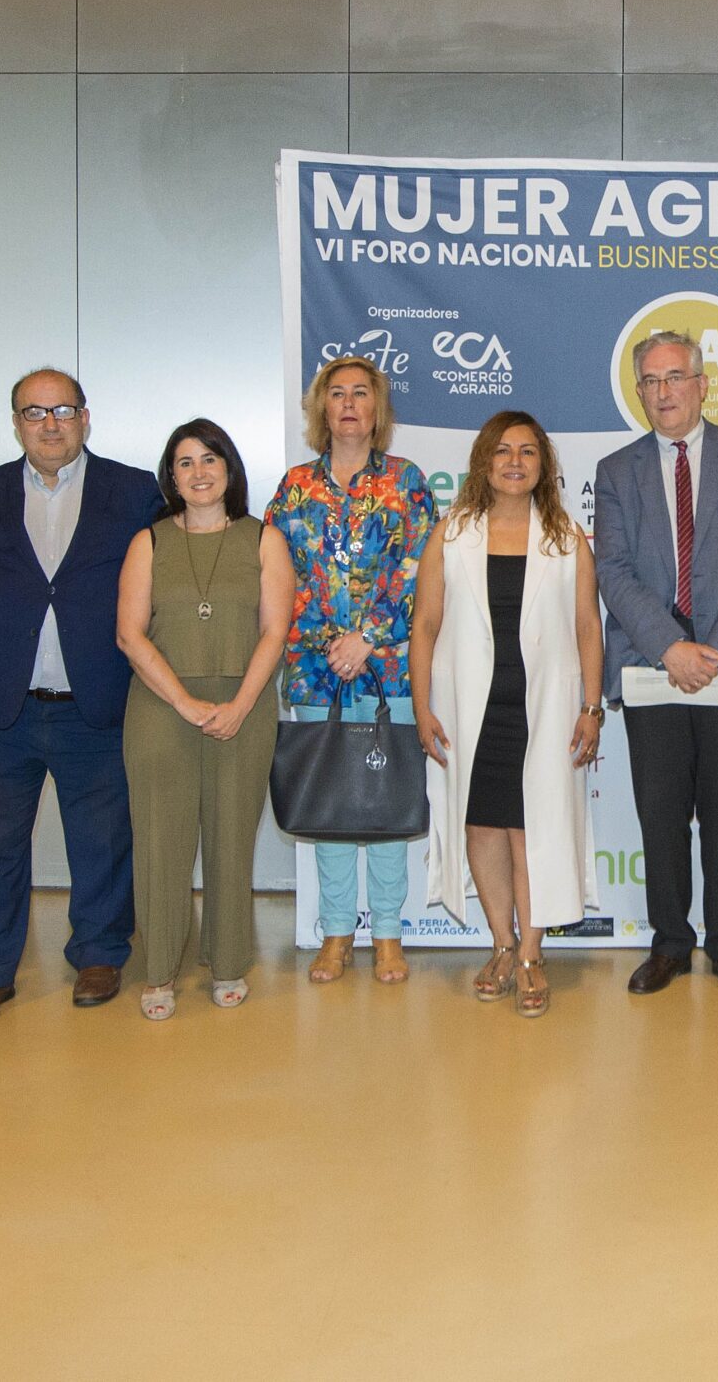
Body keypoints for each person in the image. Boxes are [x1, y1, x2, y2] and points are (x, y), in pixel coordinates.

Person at [0, 368, 155, 1027]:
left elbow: (157, 595)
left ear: (86, 417)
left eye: (62, 410)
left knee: (103, 839)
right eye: (34, 412)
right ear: (16, 422)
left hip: (99, 702)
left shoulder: (134, 489)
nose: (49, 423)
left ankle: (99, 952)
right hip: (1, 709)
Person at [593, 330, 718, 998]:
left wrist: (713, 649)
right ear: (640, 392)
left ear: (703, 384)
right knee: (661, 809)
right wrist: (668, 647)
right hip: (653, 667)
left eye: (676, 376)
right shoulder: (616, 471)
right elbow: (612, 571)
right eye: (651, 380)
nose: (664, 390)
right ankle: (671, 940)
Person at [410, 411, 605, 1019]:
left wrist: (591, 707)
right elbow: (425, 625)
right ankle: (500, 942)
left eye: (527, 451)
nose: (514, 461)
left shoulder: (566, 537)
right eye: (502, 451)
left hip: (543, 705)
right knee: (483, 826)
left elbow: (586, 626)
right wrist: (421, 706)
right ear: (483, 462)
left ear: (543, 464)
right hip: (472, 705)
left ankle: (530, 954)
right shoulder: (452, 532)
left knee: (532, 830)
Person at [264, 355, 439, 985]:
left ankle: (388, 934)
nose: (347, 403)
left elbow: (421, 569)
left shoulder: (407, 481)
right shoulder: (293, 488)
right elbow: (277, 582)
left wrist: (367, 636)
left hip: (388, 672)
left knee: (387, 805)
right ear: (321, 409)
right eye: (336, 393)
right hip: (315, 673)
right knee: (332, 804)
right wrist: (331, 641)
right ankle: (337, 933)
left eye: (360, 393)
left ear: (378, 408)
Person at [116, 419, 285, 1021]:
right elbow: (129, 635)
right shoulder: (149, 543)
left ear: (230, 469)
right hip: (163, 706)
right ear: (171, 478)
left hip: (246, 704)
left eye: (209, 458)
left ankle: (228, 960)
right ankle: (158, 970)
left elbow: (276, 631)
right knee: (161, 841)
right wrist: (186, 704)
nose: (199, 472)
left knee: (230, 839)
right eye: (184, 462)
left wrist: (239, 704)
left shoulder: (264, 539)